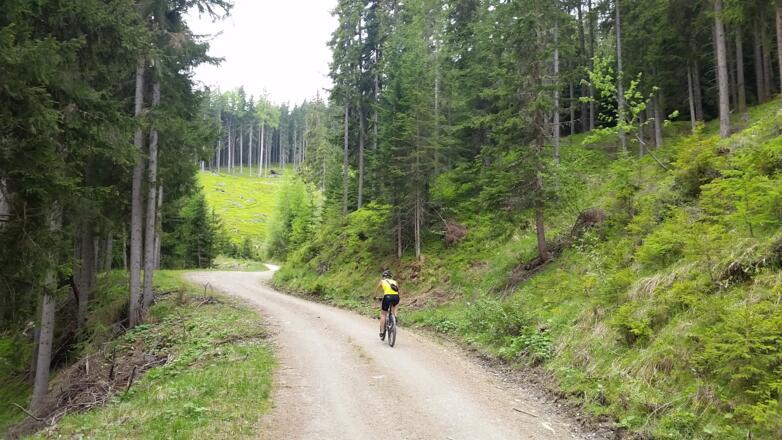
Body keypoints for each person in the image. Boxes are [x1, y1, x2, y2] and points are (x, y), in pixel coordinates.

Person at [375, 270, 399, 339]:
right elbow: (398, 291)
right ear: (390, 276)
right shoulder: (395, 282)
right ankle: (395, 316)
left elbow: (377, 290)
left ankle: (382, 332)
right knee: (395, 305)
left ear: (383, 276)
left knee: (383, 314)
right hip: (396, 297)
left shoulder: (382, 281)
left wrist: (375, 296)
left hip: (387, 297)